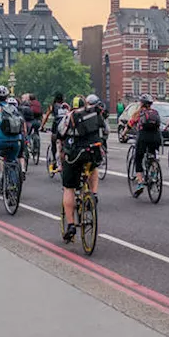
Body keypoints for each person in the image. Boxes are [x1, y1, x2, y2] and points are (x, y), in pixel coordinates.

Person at [59, 95, 106, 243]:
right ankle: (94, 194)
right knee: (92, 168)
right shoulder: (93, 113)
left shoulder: (69, 116)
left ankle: (71, 225)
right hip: (93, 152)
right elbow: (105, 131)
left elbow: (60, 134)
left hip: (75, 155)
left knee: (69, 188)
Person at [128, 94, 163, 195]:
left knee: (138, 159)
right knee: (153, 155)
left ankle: (140, 183)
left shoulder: (138, 113)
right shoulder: (155, 113)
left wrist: (124, 133)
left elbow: (129, 124)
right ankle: (154, 173)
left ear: (141, 103)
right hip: (156, 137)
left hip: (143, 138)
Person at [43, 93, 69, 173]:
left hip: (57, 127)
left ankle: (55, 160)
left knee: (55, 143)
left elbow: (46, 116)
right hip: (66, 126)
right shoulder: (66, 106)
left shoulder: (53, 106)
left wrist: (42, 126)